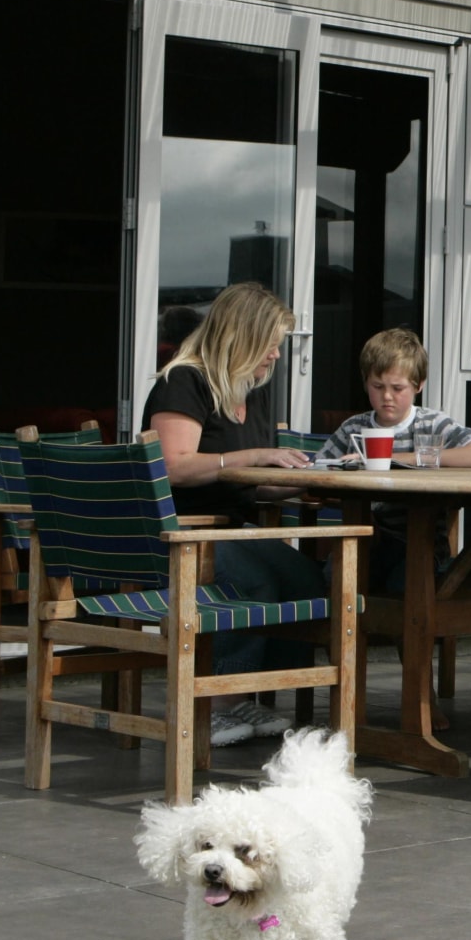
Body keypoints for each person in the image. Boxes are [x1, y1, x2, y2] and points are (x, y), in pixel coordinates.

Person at [142, 282, 319, 747]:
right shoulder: (183, 381)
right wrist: (255, 456)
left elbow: (247, 479)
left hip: (230, 528)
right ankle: (213, 703)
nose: (277, 356)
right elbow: (174, 467)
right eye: (271, 344)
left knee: (309, 580)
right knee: (255, 583)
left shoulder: (249, 392)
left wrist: (302, 479)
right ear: (241, 337)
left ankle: (248, 690)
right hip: (179, 533)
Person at [315, 328, 471, 594]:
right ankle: (348, 633)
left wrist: (402, 458)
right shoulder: (354, 428)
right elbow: (318, 469)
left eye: (397, 388)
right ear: (365, 383)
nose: (387, 396)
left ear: (418, 384)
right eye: (378, 387)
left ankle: (402, 635)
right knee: (336, 577)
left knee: (402, 586)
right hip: (366, 537)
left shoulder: (431, 424)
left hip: (420, 543)